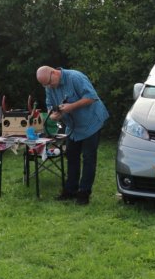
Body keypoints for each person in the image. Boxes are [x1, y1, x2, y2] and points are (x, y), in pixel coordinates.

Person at [36, 65, 109, 204]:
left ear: (54, 73)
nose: (49, 87)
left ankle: (84, 194)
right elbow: (50, 107)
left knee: (88, 158)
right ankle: (70, 191)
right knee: (71, 156)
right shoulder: (49, 86)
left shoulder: (75, 77)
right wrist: (54, 115)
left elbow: (91, 97)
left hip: (91, 122)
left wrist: (71, 106)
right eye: (45, 85)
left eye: (49, 83)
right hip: (73, 127)